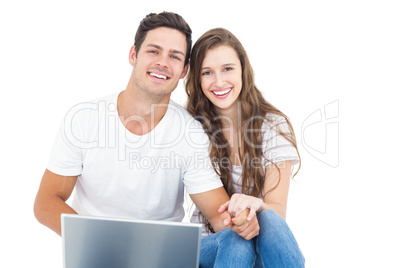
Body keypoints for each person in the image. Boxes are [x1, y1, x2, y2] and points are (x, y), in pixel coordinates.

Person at [33, 12, 255, 245]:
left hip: (161, 253)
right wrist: (95, 241)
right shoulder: (83, 119)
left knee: (240, 245)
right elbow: (46, 202)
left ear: (184, 71)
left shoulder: (190, 133)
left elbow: (217, 214)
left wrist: (241, 221)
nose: (162, 62)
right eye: (153, 51)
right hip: (94, 249)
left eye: (175, 56)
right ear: (133, 54)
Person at [186, 28, 305, 267]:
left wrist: (256, 204)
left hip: (258, 243)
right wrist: (241, 221)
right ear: (197, 79)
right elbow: (220, 220)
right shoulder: (191, 127)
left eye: (228, 69)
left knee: (269, 218)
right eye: (207, 72)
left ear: (243, 70)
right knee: (236, 240)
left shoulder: (273, 125)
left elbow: (277, 212)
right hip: (209, 248)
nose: (219, 82)